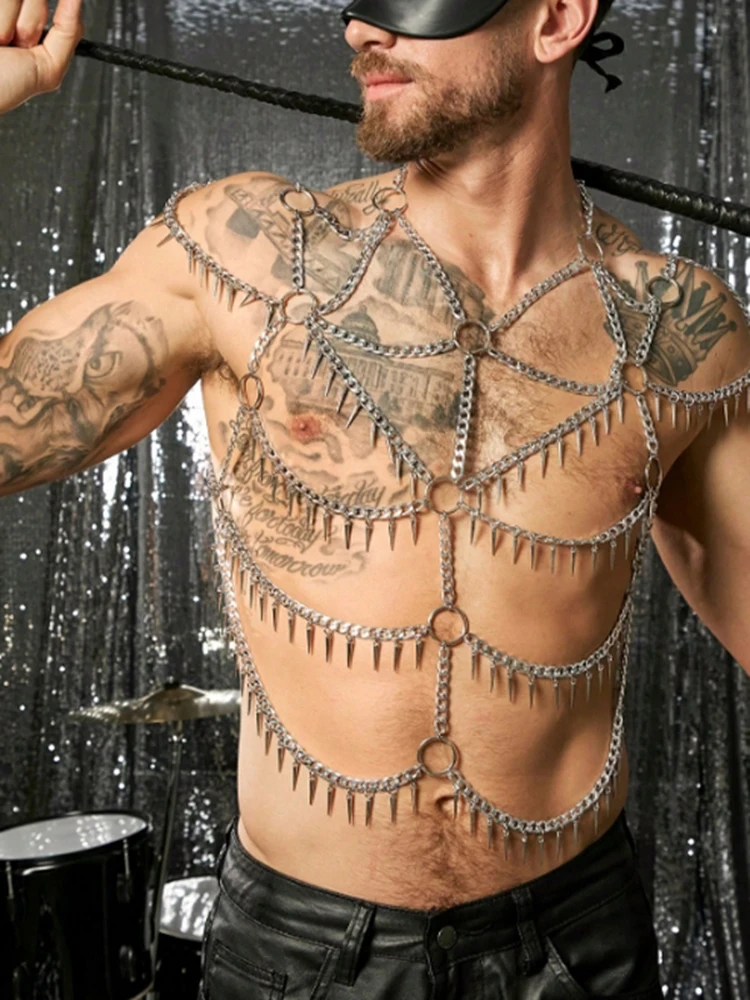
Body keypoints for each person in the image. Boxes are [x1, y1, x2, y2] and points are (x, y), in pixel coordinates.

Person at [2, 0, 749, 996]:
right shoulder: (246, 261)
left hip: (576, 950)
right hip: (298, 956)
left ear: (558, 19)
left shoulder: (675, 332)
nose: (361, 29)